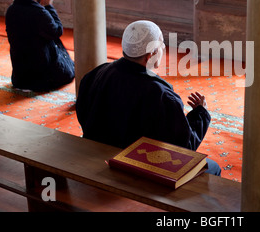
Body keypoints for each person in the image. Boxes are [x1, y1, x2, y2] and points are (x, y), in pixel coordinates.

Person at [76, 20, 221, 176]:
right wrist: (201, 113)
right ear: (150, 55)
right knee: (213, 168)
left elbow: (83, 113)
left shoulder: (97, 73)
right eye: (162, 44)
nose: (164, 48)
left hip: (95, 155)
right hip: (134, 168)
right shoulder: (161, 95)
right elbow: (184, 148)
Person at [5, 0, 75, 92]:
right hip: (40, 78)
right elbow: (57, 31)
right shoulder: (39, 12)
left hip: (20, 77)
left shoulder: (12, 9)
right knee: (70, 69)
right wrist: (49, 6)